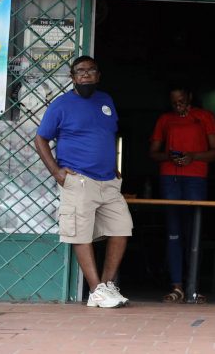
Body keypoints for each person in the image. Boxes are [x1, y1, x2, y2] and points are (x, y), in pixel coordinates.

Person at [34, 55, 133, 309]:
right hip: (78, 179)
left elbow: (106, 135)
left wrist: (114, 166)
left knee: (122, 228)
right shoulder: (61, 105)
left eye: (91, 70)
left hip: (108, 181)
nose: (86, 74)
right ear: (73, 77)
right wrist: (57, 172)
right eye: (80, 71)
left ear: (98, 75)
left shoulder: (106, 101)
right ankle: (95, 290)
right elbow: (40, 139)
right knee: (80, 233)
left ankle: (107, 287)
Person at [149, 86, 215, 303]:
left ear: (190, 96)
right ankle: (177, 286)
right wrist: (168, 157)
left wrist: (193, 156)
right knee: (173, 231)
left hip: (195, 177)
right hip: (169, 177)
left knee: (194, 231)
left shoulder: (204, 117)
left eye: (181, 100)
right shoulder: (165, 119)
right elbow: (153, 153)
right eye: (174, 102)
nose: (178, 105)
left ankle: (193, 286)